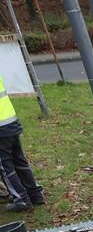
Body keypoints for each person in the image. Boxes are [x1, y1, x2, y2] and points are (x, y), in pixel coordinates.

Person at [0, 75, 43, 212]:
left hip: (1, 129)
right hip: (11, 123)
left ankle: (21, 200)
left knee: (6, 167)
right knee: (20, 161)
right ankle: (35, 194)